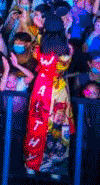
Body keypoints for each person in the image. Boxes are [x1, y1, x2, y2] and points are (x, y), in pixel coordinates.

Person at [23, 14, 74, 178]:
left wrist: (39, 30)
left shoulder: (39, 46)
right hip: (59, 91)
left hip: (41, 88)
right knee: (58, 127)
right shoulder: (67, 49)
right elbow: (65, 64)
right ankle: (55, 168)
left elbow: (35, 52)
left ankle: (32, 164)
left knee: (37, 124)